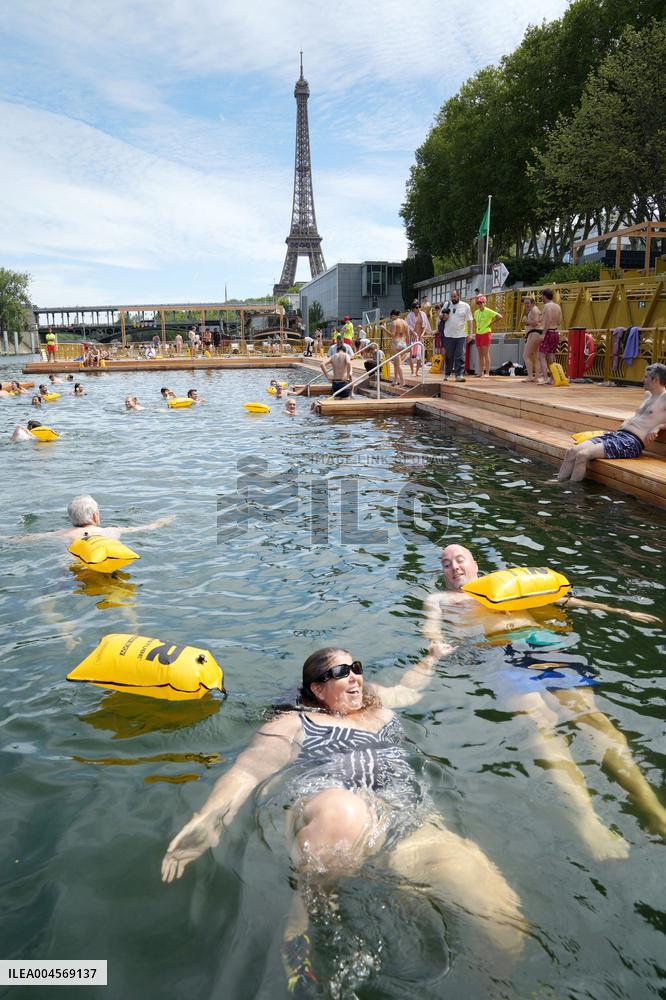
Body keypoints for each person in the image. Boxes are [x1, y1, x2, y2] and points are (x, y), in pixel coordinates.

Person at [161, 643, 526, 974]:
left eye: (356, 668)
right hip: (331, 816)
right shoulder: (293, 722)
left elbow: (409, 689)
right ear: (317, 689)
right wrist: (208, 821)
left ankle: (503, 986)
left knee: (504, 920)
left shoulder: (377, 706)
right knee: (344, 810)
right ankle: (302, 916)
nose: (353, 677)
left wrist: (431, 657)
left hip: (406, 825)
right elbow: (246, 771)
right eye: (340, 672)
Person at [423, 543, 665, 859]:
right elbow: (430, 631)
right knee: (540, 724)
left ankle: (653, 809)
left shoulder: (506, 583)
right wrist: (435, 648)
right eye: (446, 564)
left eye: (459, 560)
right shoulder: (440, 599)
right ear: (443, 574)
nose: (454, 567)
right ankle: (588, 822)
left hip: (539, 642)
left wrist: (619, 611)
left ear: (474, 564)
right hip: (495, 653)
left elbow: (559, 598)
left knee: (591, 716)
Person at [558, 363, 666, 481]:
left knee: (582, 455)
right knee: (571, 451)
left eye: (646, 377)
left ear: (655, 380)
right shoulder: (647, 396)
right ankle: (559, 482)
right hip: (618, 435)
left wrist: (659, 426)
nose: (642, 380)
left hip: (631, 443)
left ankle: (571, 492)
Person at [17, 494, 175, 542]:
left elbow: (26, 538)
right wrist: (163, 521)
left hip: (74, 565)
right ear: (95, 516)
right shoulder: (111, 530)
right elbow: (145, 528)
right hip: (105, 560)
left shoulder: (62, 533)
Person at [440, 291, 473, 382]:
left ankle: (459, 375)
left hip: (461, 335)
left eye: (455, 296)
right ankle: (447, 373)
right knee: (449, 355)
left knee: (460, 355)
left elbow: (470, 320)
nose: (453, 298)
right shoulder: (447, 304)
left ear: (459, 296)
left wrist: (470, 334)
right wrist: (444, 316)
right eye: (452, 297)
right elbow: (440, 316)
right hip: (448, 335)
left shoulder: (465, 306)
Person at [473, 295, 502, 378]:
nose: (479, 304)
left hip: (486, 333)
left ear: (484, 303)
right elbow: (476, 322)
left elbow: (499, 316)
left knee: (485, 353)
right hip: (478, 333)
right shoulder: (476, 312)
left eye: (481, 303)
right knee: (480, 354)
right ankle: (481, 372)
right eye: (478, 303)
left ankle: (487, 372)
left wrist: (491, 324)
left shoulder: (488, 311)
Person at [537, 289, 562, 384]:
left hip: (548, 332)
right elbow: (559, 321)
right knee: (551, 356)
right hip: (555, 332)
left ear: (544, 296)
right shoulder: (557, 306)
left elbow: (547, 320)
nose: (541, 299)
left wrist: (543, 333)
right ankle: (553, 378)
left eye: (542, 297)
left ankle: (545, 378)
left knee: (541, 356)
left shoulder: (547, 306)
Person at [406, 301, 431, 376]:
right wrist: (413, 333)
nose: (418, 309)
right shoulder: (410, 315)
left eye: (419, 307)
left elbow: (425, 325)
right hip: (412, 337)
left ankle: (416, 372)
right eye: (417, 307)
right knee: (411, 355)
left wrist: (423, 334)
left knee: (419, 355)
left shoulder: (422, 314)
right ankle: (412, 371)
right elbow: (408, 326)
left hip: (420, 337)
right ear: (413, 308)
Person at [521, 296, 543, 381]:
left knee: (526, 355)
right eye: (525, 303)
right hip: (536, 333)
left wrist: (526, 321)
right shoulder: (534, 310)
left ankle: (530, 376)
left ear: (532, 303)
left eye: (528, 303)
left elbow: (535, 323)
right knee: (536, 356)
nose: (526, 305)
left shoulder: (534, 310)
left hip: (534, 333)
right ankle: (536, 377)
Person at [389, 310, 408, 387]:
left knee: (398, 364)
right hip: (403, 343)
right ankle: (395, 380)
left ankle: (402, 381)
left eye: (391, 316)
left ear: (393, 315)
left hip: (396, 343)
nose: (391, 318)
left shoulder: (394, 322)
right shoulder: (404, 322)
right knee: (396, 363)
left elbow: (392, 335)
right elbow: (408, 334)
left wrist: (384, 329)